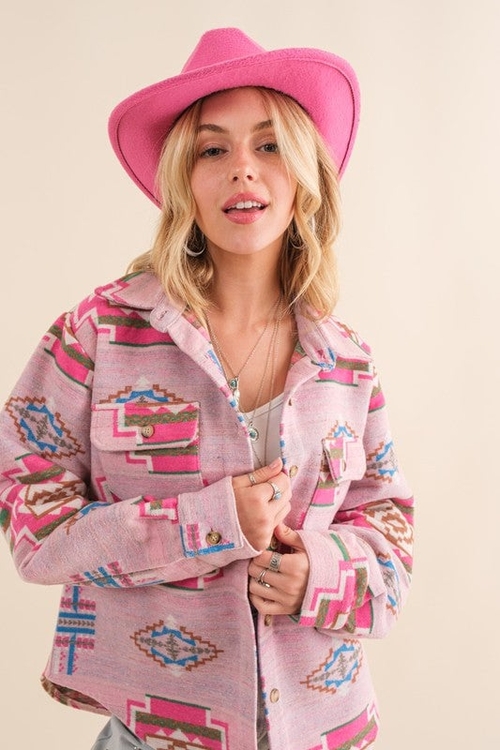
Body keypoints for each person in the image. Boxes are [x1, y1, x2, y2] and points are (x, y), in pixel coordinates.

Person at [0, 27, 414, 750]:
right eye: (211, 150)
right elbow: (32, 523)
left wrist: (319, 575)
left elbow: (390, 534)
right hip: (152, 733)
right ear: (182, 181)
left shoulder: (347, 362)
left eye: (269, 145)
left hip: (326, 730)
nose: (242, 170)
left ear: (304, 174)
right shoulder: (97, 335)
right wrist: (208, 523)